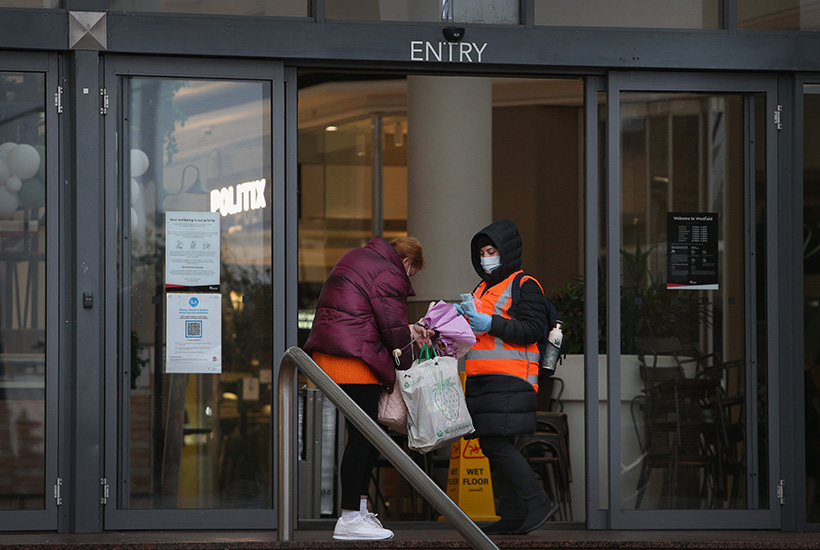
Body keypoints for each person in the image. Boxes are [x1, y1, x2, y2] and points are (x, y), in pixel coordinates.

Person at [304, 235, 432, 541]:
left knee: (369, 435)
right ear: (406, 262)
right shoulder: (388, 272)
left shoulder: (360, 258)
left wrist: (406, 331)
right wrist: (413, 348)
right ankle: (349, 517)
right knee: (366, 436)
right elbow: (391, 329)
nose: (408, 278)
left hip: (335, 353)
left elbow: (368, 313)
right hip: (353, 358)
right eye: (411, 273)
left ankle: (359, 513)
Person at [459, 219, 559, 535]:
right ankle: (514, 515)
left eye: (492, 251)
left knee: (495, 441)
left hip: (511, 376)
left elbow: (532, 329)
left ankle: (538, 501)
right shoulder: (482, 287)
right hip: (481, 376)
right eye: (483, 252)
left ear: (507, 252)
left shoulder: (524, 284)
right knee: (494, 443)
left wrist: (489, 323)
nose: (487, 257)